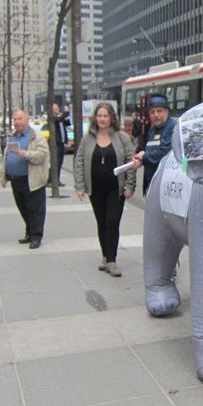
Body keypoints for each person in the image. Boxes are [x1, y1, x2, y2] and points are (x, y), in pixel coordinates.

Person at [74, 102, 136, 276]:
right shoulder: (87, 139)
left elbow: (131, 162)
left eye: (105, 116)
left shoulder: (121, 137)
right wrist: (80, 186)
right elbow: (79, 161)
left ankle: (112, 260)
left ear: (111, 118)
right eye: (99, 115)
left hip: (116, 190)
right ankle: (105, 256)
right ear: (95, 118)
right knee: (101, 223)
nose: (102, 119)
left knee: (112, 222)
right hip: (95, 189)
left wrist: (130, 185)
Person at [0, 109, 50, 249]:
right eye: (15, 119)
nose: (17, 122)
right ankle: (29, 232)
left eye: (20, 119)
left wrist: (26, 154)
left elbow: (42, 155)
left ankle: (36, 236)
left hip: (32, 179)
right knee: (23, 208)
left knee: (35, 210)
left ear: (27, 120)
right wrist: (4, 175)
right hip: (16, 179)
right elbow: (6, 156)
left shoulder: (36, 136)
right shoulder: (12, 137)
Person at [132, 95, 177, 194]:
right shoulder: (152, 130)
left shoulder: (173, 128)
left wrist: (144, 156)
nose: (156, 115)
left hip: (167, 186)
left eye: (159, 111)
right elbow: (148, 150)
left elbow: (163, 153)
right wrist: (139, 159)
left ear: (166, 111)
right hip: (151, 183)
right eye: (152, 112)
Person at [52, 103, 71, 186]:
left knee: (60, 162)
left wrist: (67, 116)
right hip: (56, 143)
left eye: (58, 107)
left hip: (62, 143)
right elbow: (59, 120)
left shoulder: (60, 118)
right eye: (56, 108)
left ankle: (57, 179)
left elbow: (67, 123)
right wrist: (66, 111)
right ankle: (53, 180)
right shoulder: (53, 118)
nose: (58, 109)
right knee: (56, 162)